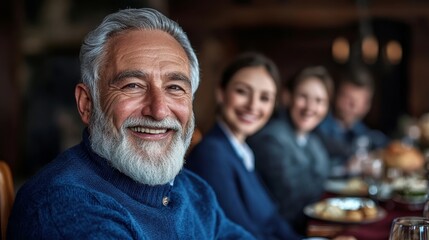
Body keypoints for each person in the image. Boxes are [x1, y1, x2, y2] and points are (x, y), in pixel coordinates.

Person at [7, 8, 255, 239]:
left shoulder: (192, 189)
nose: (158, 110)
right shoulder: (64, 206)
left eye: (175, 88)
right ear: (87, 104)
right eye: (132, 86)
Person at [186, 52, 302, 240]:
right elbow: (242, 233)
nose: (253, 105)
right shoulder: (212, 153)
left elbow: (272, 220)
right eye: (242, 91)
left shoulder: (241, 150)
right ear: (221, 93)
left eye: (265, 98)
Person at [247, 66, 334, 235]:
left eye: (319, 101)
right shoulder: (271, 139)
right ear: (288, 97)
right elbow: (290, 199)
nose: (310, 107)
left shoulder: (311, 139)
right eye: (303, 97)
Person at [315, 67, 390, 178]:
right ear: (336, 96)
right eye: (348, 98)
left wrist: (377, 156)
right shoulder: (318, 127)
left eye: (358, 101)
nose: (352, 106)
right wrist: (345, 168)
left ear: (367, 106)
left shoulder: (360, 129)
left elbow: (381, 142)